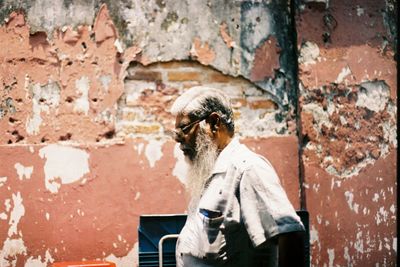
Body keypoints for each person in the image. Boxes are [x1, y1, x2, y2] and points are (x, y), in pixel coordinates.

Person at [170, 86, 305, 267]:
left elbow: (290, 235)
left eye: (184, 129)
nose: (179, 140)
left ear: (214, 122)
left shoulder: (248, 169)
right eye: (177, 133)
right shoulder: (210, 171)